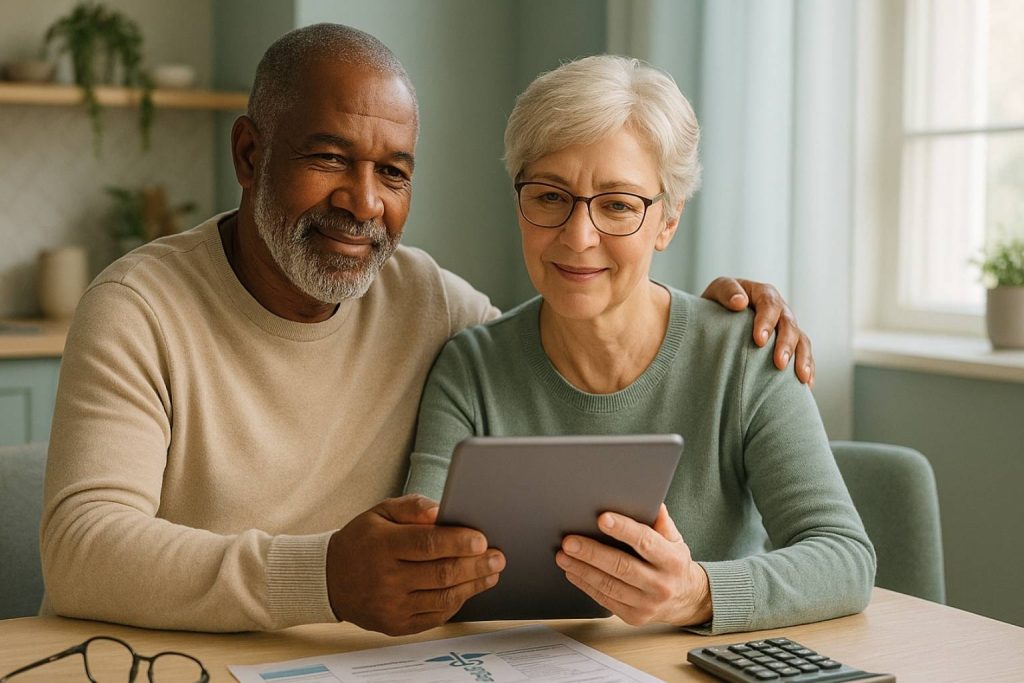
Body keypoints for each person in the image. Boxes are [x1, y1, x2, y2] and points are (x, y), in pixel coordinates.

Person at [41, 24, 815, 635]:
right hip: (167, 661)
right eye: (328, 157)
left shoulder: (429, 304)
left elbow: (560, 337)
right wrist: (323, 577)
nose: (364, 201)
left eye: (394, 172)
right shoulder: (138, 307)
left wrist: (711, 309)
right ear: (250, 154)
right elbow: (81, 550)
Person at [405, 55, 874, 634]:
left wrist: (700, 593)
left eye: (619, 205)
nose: (579, 238)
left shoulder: (746, 352)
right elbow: (421, 562)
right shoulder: (470, 367)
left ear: (668, 219)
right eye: (550, 197)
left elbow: (846, 559)